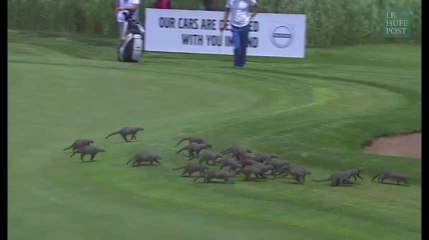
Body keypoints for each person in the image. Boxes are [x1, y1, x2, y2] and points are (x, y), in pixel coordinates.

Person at [220, 0, 260, 68]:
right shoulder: (230, 1)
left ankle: (241, 64)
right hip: (234, 26)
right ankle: (237, 63)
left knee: (243, 45)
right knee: (237, 46)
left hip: (245, 25)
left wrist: (250, 17)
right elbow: (227, 11)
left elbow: (257, 7)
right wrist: (224, 23)